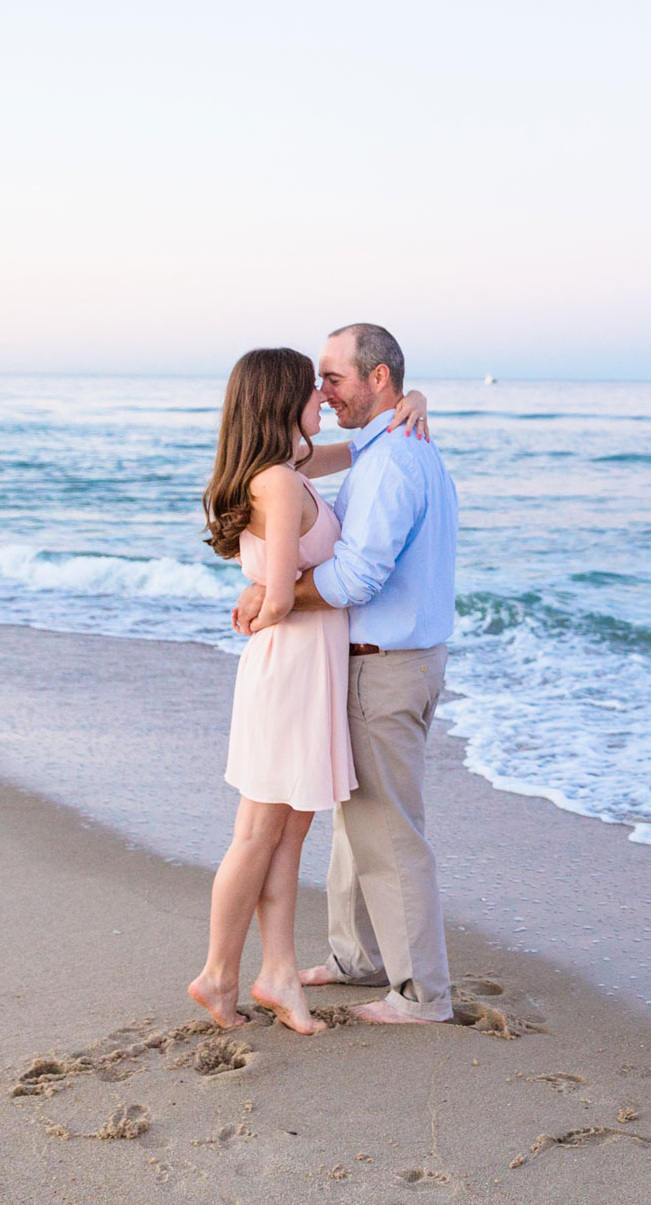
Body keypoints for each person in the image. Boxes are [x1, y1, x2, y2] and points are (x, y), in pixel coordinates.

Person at [189, 344, 428, 1035]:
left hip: (305, 669)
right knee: (260, 833)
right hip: (290, 671)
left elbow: (358, 451)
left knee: (287, 835)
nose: (323, 399)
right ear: (279, 399)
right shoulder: (280, 481)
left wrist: (412, 403)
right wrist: (262, 598)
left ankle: (276, 975)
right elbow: (283, 599)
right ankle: (217, 972)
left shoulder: (286, 468)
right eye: (311, 389)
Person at [233, 322, 461, 1027]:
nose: (321, 392)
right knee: (356, 820)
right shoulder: (384, 442)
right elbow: (312, 461)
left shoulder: (393, 461)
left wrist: (273, 599)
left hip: (384, 668)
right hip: (384, 662)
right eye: (315, 382)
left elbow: (359, 574)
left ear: (378, 380)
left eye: (332, 378)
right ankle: (355, 956)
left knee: (389, 833)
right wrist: (414, 397)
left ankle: (422, 995)